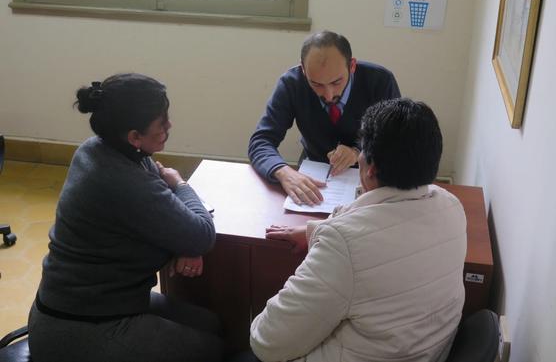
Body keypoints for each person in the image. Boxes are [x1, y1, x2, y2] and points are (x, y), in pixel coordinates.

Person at [250, 98, 467, 362]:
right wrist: (316, 231)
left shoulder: (344, 244)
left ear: (370, 169)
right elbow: (391, 238)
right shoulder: (451, 207)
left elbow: (268, 342)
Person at [28, 74, 222, 362]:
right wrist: (180, 183)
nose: (169, 126)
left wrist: (186, 239)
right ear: (134, 136)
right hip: (83, 327)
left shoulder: (98, 148)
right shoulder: (122, 180)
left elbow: (165, 217)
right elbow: (202, 234)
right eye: (161, 122)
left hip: (89, 304)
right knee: (211, 349)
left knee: (211, 324)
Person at [248, 30, 400, 207]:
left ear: (352, 66)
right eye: (316, 84)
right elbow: (260, 142)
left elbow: (394, 141)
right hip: (313, 173)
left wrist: (357, 151)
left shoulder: (380, 82)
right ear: (303, 70)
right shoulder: (291, 84)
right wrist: (283, 172)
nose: (328, 95)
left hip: (370, 176)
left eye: (336, 82)